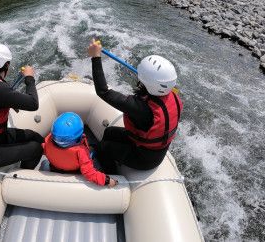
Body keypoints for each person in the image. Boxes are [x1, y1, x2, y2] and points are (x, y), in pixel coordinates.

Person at [87, 39, 183, 173]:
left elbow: (103, 91)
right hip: (150, 149)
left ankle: (109, 172)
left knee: (105, 147)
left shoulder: (140, 108)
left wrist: (95, 57)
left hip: (144, 159)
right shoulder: (172, 95)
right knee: (109, 132)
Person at [43, 112, 117, 187]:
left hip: (55, 167)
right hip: (74, 170)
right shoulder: (81, 152)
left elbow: (45, 150)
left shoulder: (47, 141)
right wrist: (107, 180)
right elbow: (89, 172)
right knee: (93, 150)